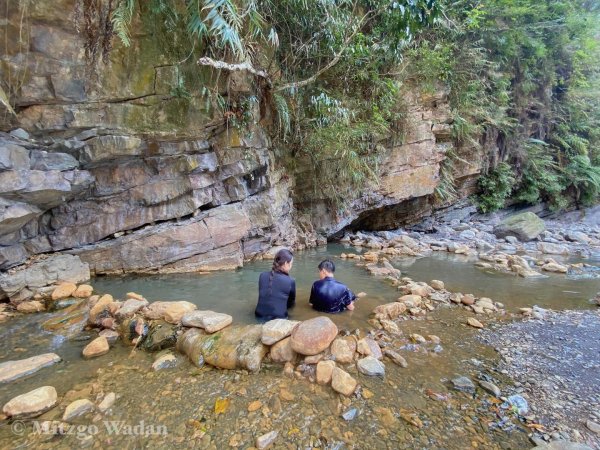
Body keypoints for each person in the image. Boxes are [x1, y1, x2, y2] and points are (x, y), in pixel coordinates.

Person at [255, 249, 296, 321]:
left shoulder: (262, 275)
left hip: (259, 315)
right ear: (286, 263)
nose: (291, 266)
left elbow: (264, 296)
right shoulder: (290, 281)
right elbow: (290, 303)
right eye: (291, 264)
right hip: (279, 318)